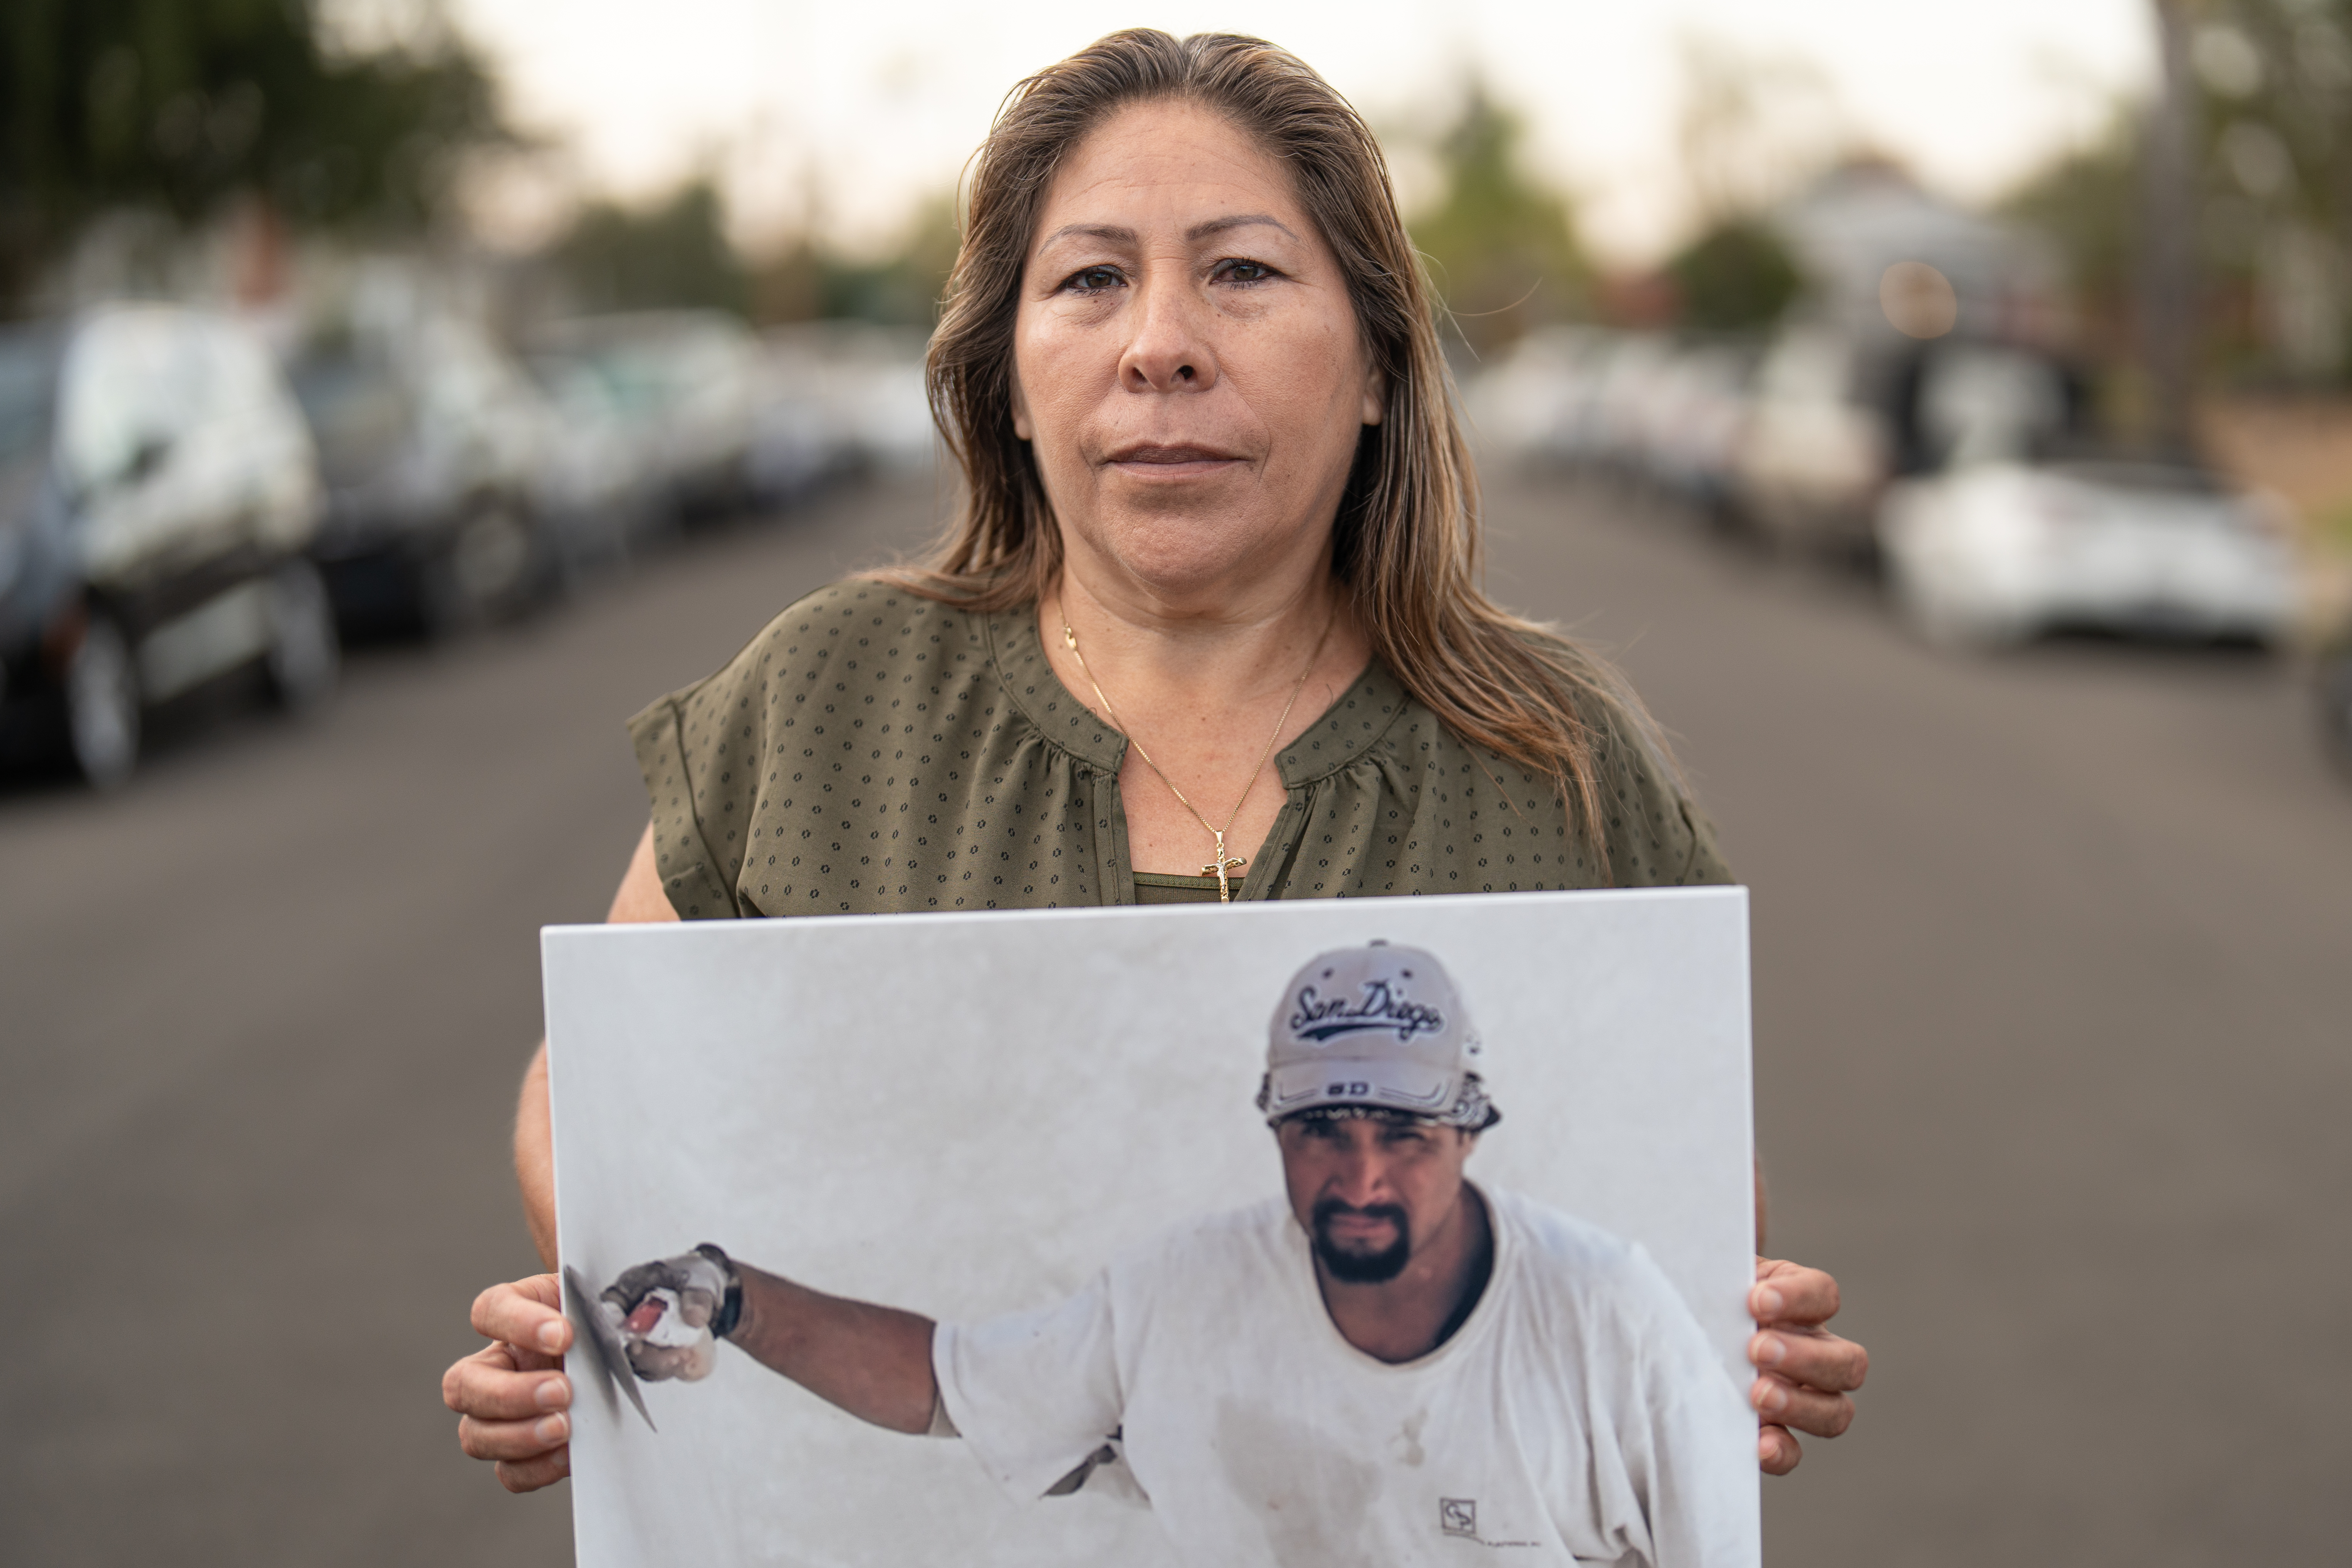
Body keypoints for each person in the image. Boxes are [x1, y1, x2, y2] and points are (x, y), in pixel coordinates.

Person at [442, 28, 1867, 1495]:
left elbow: (1698, 1226)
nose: (1159, 342)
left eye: (1242, 272)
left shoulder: (1550, 753)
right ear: (1005, 378)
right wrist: (602, 1336)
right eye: (1089, 280)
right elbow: (593, 1101)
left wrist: (1745, 1341)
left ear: (1377, 365)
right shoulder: (825, 703)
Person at [589, 943, 1754, 1566]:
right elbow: (947, 1384)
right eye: (1320, 1134)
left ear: (1466, 1132)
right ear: (1273, 1128)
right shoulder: (1183, 1294)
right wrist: (731, 1295)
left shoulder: (1608, 1315)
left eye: (1402, 1136)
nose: (1359, 1181)